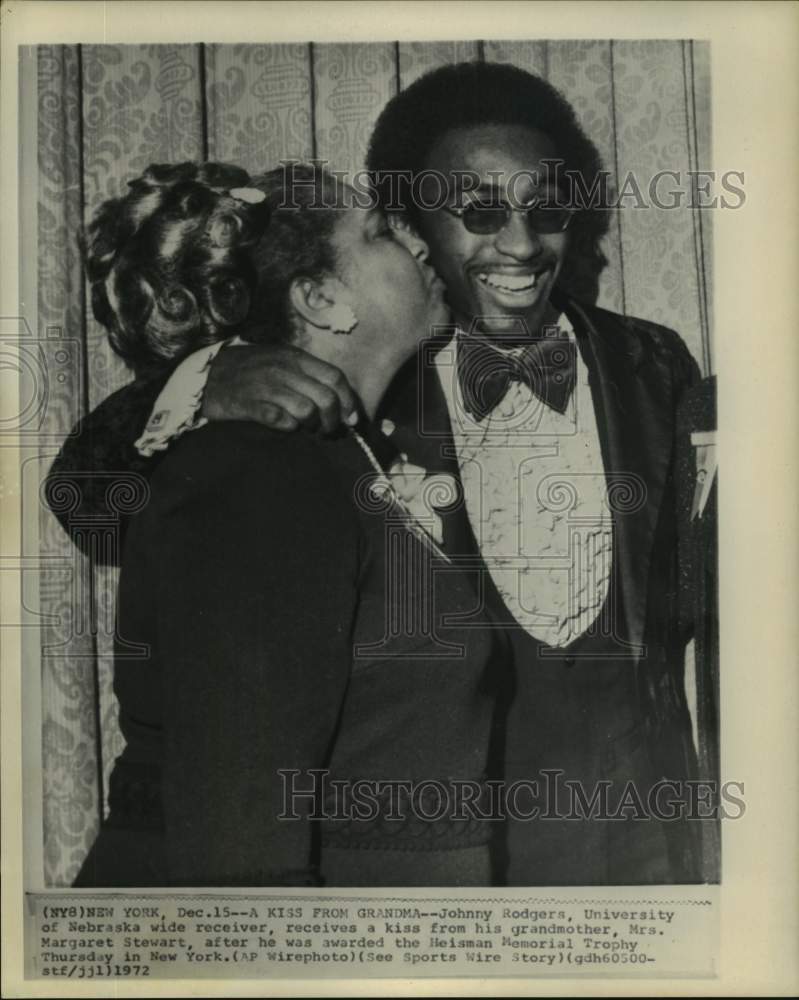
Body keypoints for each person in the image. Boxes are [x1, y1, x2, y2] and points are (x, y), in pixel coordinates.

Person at [49, 62, 704, 884]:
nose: (522, 244)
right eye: (476, 211)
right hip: (444, 859)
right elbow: (102, 507)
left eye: (547, 210)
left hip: (630, 850)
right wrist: (201, 381)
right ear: (412, 222)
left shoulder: (650, 362)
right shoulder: (366, 360)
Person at [69, 160, 511, 888]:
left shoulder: (345, 454)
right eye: (379, 234)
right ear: (319, 297)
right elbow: (241, 833)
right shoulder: (261, 466)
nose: (421, 246)